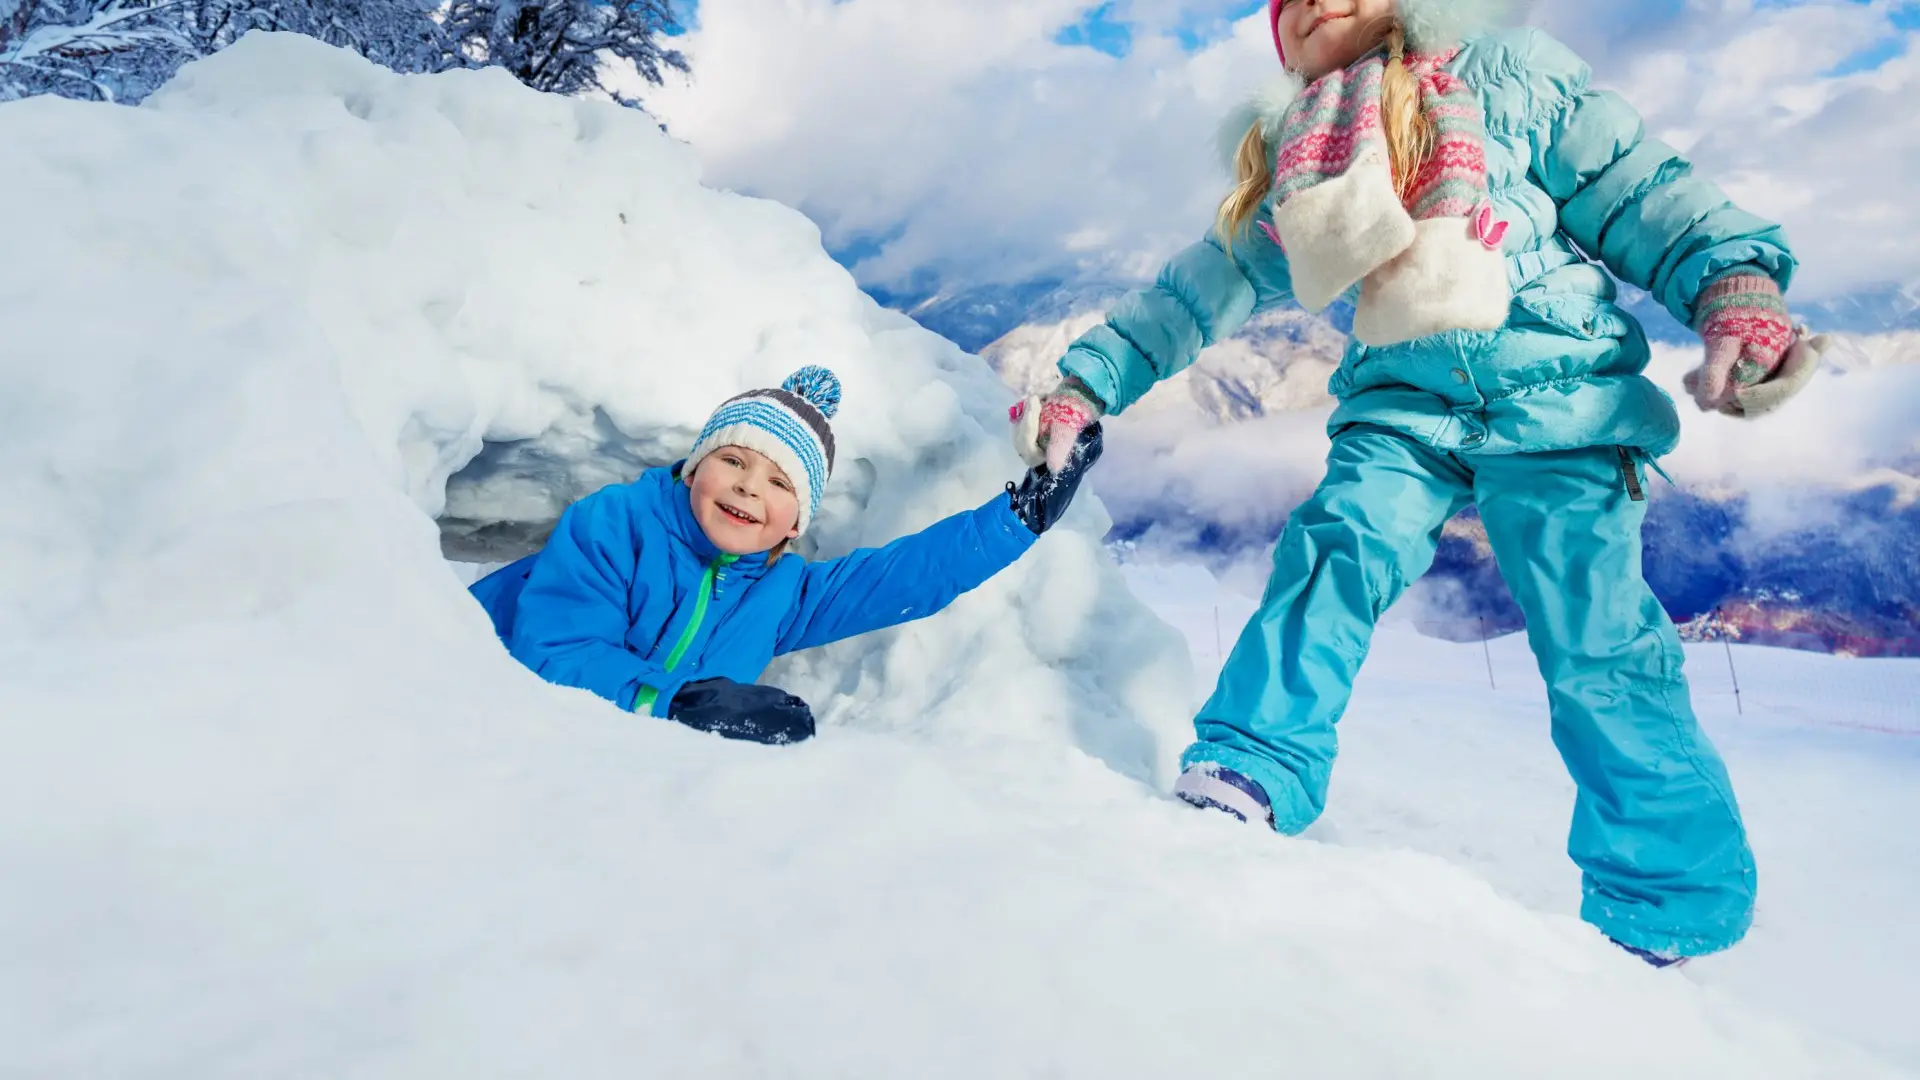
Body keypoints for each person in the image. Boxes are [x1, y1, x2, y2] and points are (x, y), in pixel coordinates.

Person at [1015, 0, 1822, 965]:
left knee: (1598, 637)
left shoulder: (1511, 77)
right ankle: (1248, 768)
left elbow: (1639, 189)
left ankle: (1669, 904)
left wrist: (1734, 282)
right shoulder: (1302, 156)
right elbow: (1201, 287)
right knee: (1333, 556)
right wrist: (1088, 381)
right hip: (1402, 408)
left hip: (1558, 397)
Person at [476, 365, 1102, 745]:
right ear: (694, 468)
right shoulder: (615, 526)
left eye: (781, 484)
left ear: (793, 524)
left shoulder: (780, 592)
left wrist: (1024, 515)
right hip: (479, 714)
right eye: (733, 461)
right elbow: (554, 654)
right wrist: (680, 703)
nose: (750, 486)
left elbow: (904, 576)